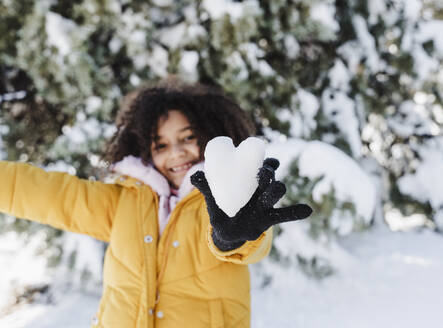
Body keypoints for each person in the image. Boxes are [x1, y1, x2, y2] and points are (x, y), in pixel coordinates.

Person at [0, 79, 312, 327]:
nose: (175, 153)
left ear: (212, 135)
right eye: (160, 144)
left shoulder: (223, 198)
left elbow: (246, 239)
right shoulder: (124, 202)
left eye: (188, 138)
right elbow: (51, 196)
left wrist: (232, 237)